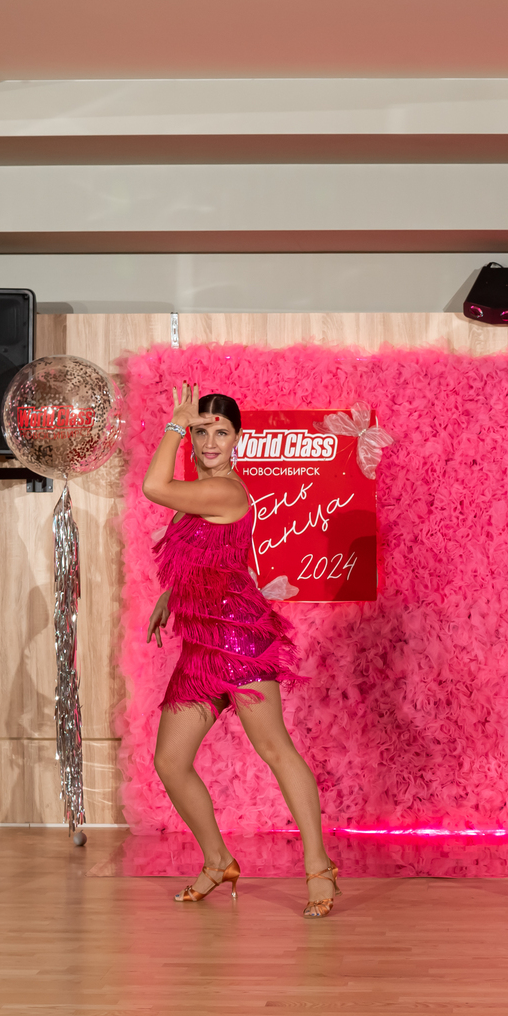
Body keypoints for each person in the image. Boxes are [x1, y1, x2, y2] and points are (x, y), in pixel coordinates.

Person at [142, 386, 338, 917]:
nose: (209, 441)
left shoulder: (225, 491)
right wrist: (170, 596)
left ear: (237, 440)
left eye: (221, 432)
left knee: (275, 749)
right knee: (170, 761)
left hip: (237, 637)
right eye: (201, 431)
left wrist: (174, 425)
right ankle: (217, 861)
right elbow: (215, 554)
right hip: (200, 643)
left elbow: (154, 486)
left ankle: (319, 868)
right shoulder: (201, 494)